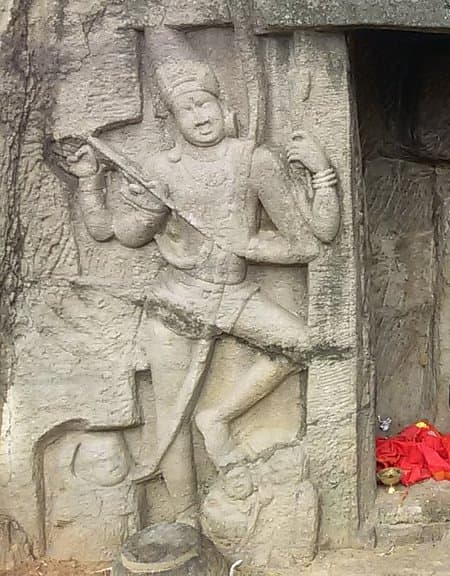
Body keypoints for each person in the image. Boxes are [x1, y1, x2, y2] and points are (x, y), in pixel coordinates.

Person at [63, 26, 340, 523]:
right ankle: (187, 517)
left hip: (233, 292)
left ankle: (219, 419)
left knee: (301, 345)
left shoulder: (251, 160)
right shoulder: (158, 169)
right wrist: (92, 183)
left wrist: (251, 244)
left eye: (206, 103)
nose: (201, 116)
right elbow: (117, 232)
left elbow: (303, 243)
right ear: (169, 118)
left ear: (222, 104)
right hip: (178, 298)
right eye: (187, 109)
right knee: (170, 415)